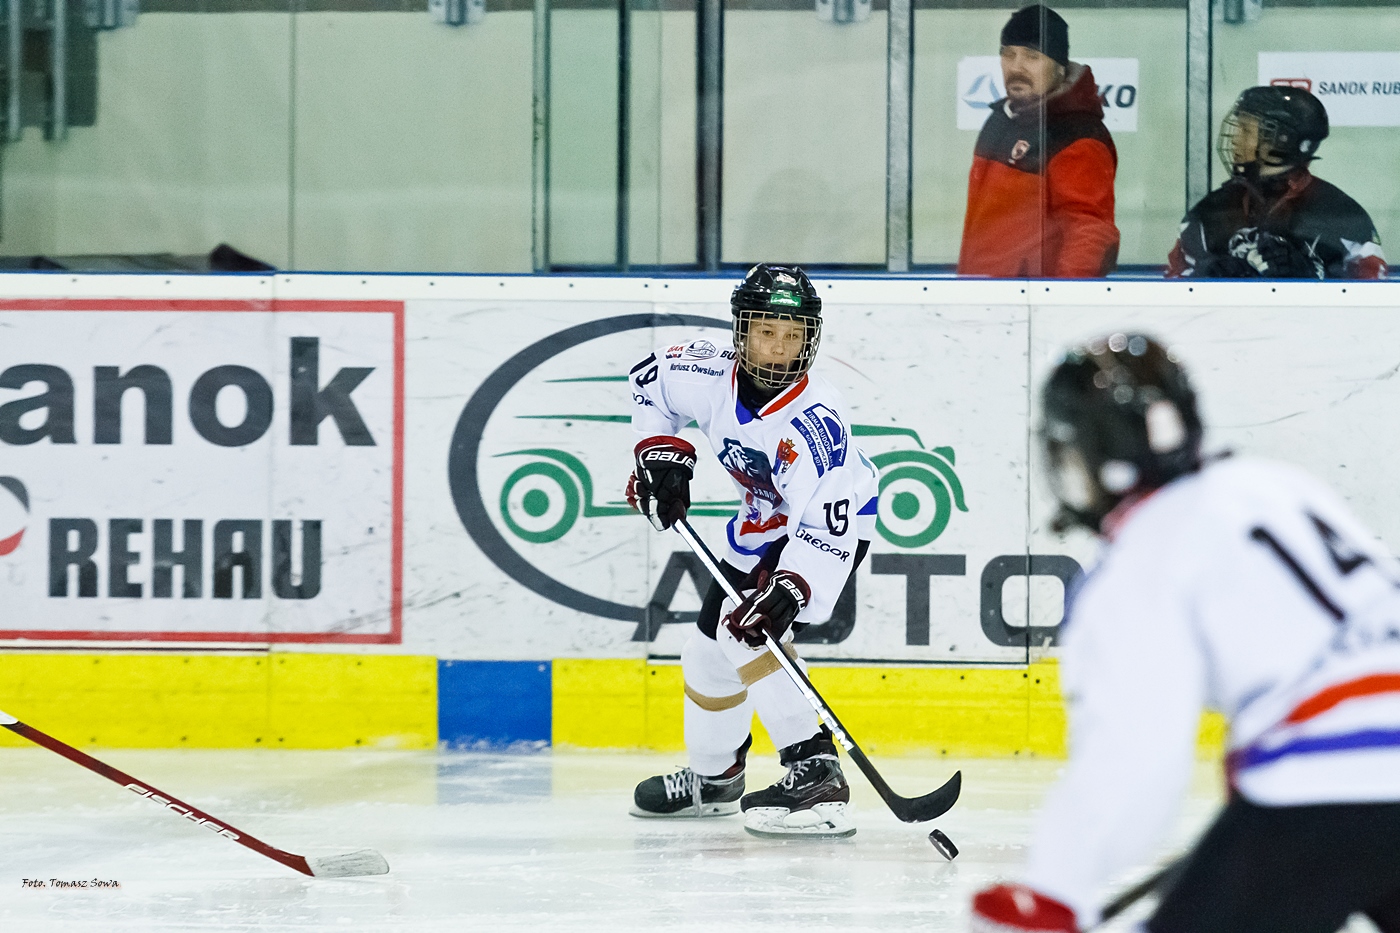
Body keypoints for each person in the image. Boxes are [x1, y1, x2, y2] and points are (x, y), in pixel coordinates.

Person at [971, 334, 1400, 933]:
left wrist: (1056, 890)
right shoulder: (1282, 487)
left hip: (1321, 784)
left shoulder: (1141, 557)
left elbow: (1137, 753)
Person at [623, 263, 879, 839]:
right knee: (707, 653)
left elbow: (830, 521)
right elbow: (649, 383)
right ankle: (716, 780)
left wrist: (791, 587)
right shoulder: (705, 367)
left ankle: (814, 770)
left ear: (810, 339)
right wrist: (661, 454)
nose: (778, 348)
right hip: (762, 521)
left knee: (748, 629)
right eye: (767, 331)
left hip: (827, 530)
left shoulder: (815, 425)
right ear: (741, 330)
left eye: (793, 335)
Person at [957, 4, 1120, 278]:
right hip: (982, 301)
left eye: (1032, 56)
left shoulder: (1077, 135)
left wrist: (1058, 307)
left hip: (1031, 308)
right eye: (1008, 54)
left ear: (1059, 68)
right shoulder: (1000, 120)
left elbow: (1090, 232)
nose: (1016, 67)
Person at [1167, 85, 1387, 279]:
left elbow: (1371, 295)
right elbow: (1173, 284)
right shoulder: (1210, 212)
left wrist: (1315, 278)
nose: (1235, 139)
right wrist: (1206, 275)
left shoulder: (1340, 215)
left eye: (1245, 130)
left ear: (1282, 139)